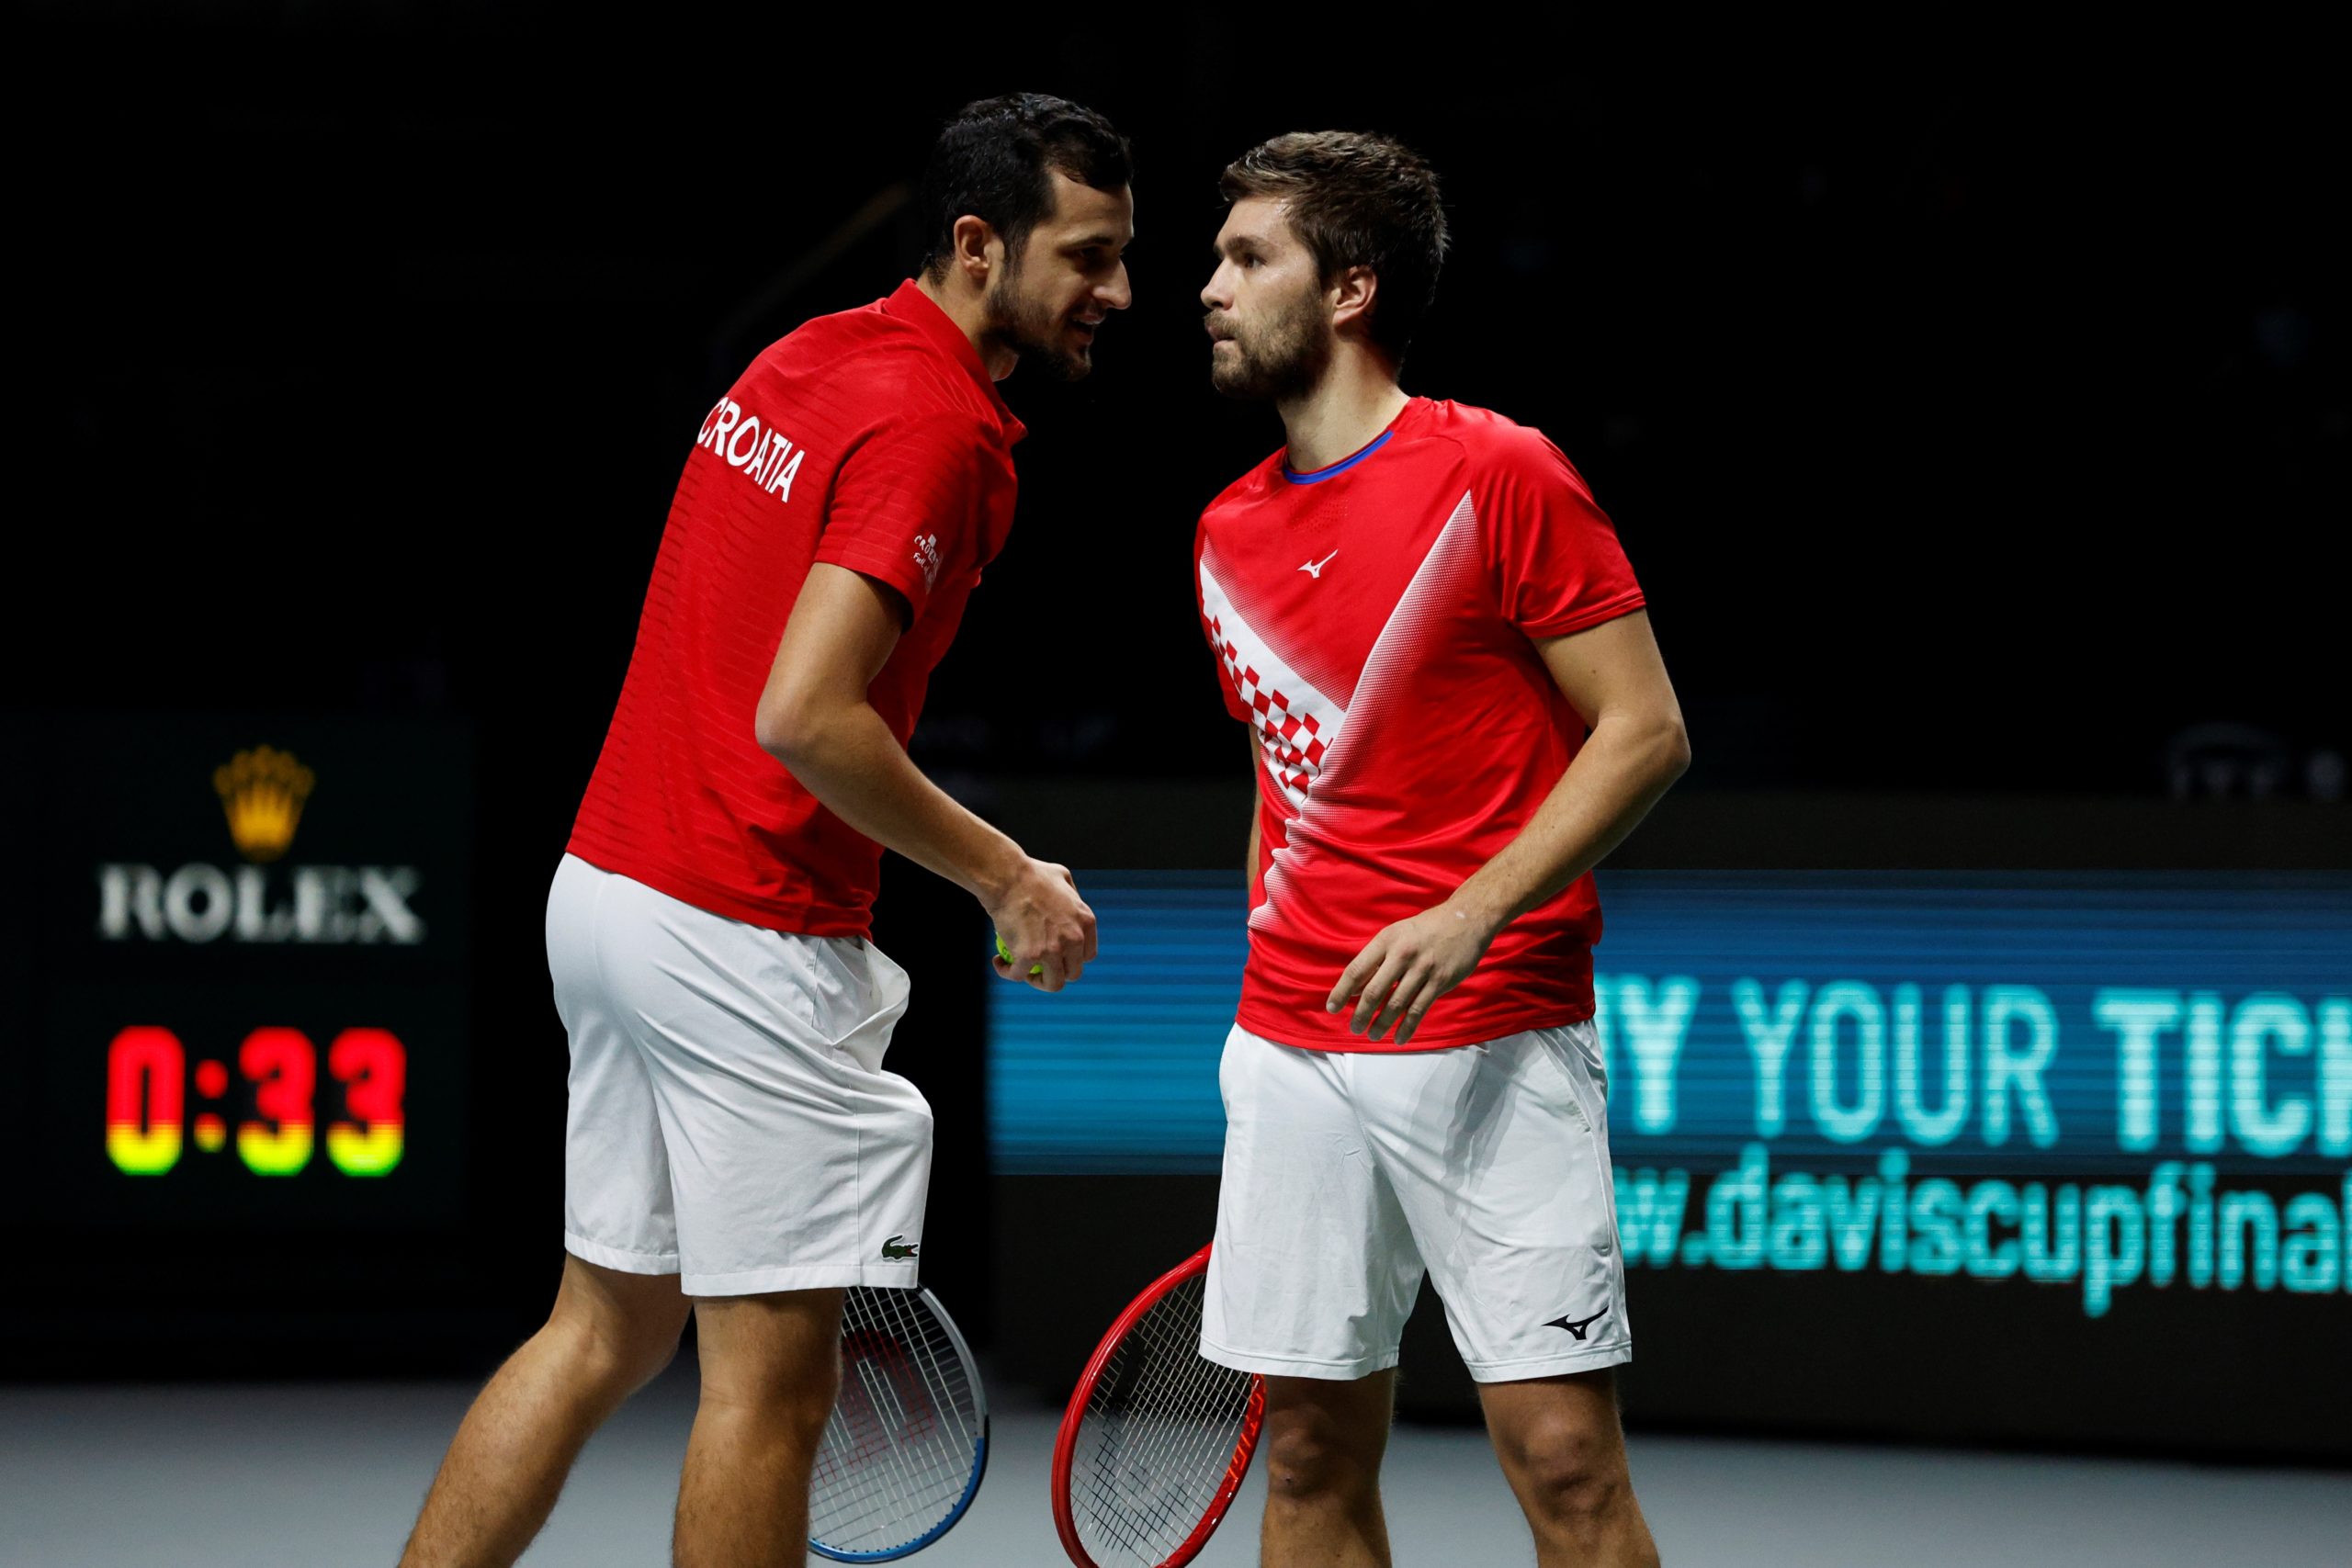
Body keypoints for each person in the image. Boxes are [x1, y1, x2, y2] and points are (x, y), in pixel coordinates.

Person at [398, 93, 1131, 1568]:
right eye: (1088, 256)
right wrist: (1005, 878)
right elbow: (807, 714)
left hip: (608, 889)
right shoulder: (941, 430)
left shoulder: (806, 354)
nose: (1117, 292)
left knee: (603, 1327)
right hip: (739, 929)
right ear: (978, 246)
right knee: (770, 1395)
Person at [1192, 130, 1686, 1568]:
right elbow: (1282, 775)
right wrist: (1262, 988)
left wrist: (1472, 911)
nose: (1210, 287)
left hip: (1495, 1035)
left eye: (1249, 258)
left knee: (1567, 1465)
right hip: (1295, 1042)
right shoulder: (1225, 530)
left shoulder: (1498, 474)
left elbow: (1645, 731)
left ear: (1350, 290)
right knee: (1307, 1455)